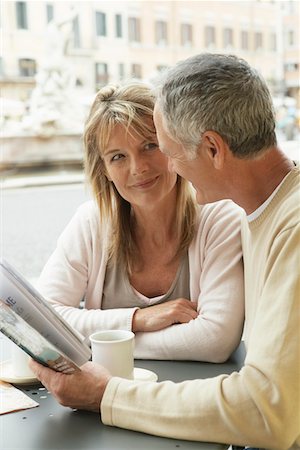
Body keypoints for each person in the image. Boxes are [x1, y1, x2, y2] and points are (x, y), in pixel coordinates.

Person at [30, 54, 300, 449]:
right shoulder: (263, 214)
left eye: (166, 150)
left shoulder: (285, 228)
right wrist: (135, 322)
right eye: (118, 157)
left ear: (212, 148)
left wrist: (105, 391)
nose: (157, 168)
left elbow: (265, 410)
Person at [36, 81, 244, 362]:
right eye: (118, 156)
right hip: (101, 400)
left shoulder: (220, 218)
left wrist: (105, 343)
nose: (138, 168)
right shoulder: (92, 222)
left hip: (191, 400)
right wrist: (137, 319)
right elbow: (43, 319)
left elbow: (214, 340)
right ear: (105, 170)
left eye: (149, 145)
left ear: (173, 146)